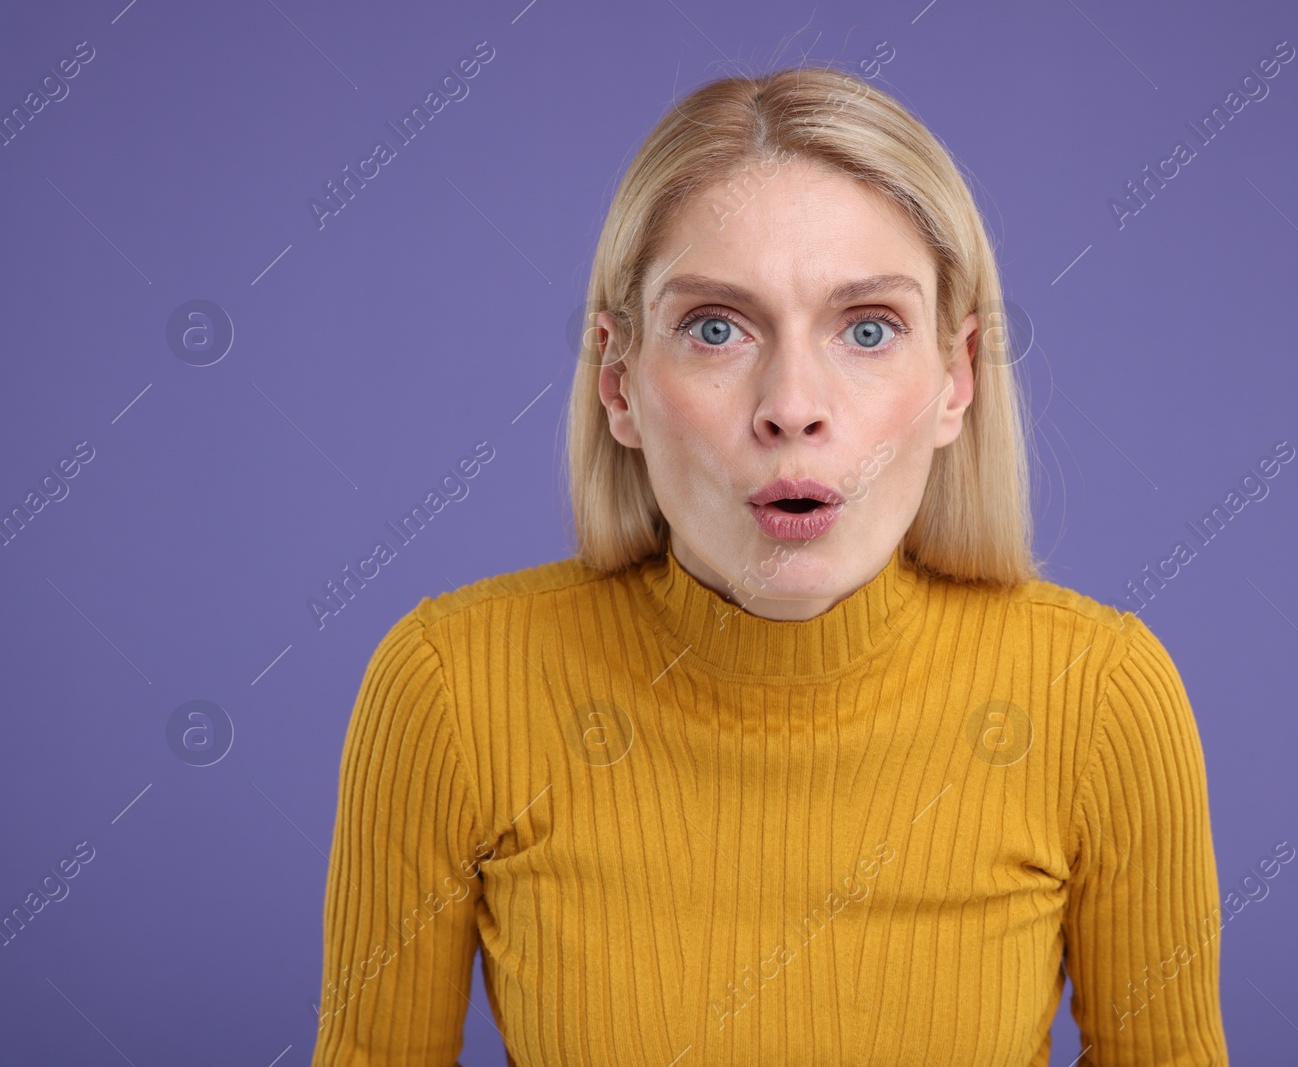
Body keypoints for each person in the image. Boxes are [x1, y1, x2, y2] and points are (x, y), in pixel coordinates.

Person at [310, 64, 1228, 1066]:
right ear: (618, 382)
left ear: (957, 377)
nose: (792, 402)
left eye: (867, 328)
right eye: (716, 327)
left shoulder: (1098, 694)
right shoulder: (451, 686)